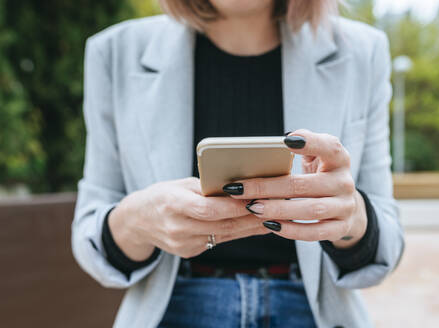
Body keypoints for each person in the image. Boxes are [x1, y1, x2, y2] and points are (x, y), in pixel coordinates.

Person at [72, 0, 405, 327]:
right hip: (172, 305)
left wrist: (351, 216)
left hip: (313, 308)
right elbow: (90, 238)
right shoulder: (114, 53)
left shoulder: (363, 51)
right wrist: (137, 220)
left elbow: (387, 244)